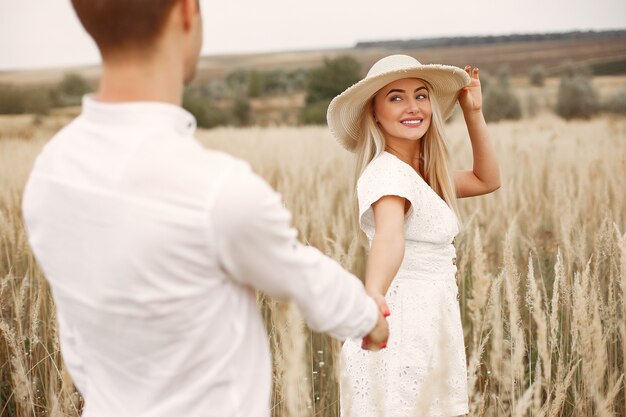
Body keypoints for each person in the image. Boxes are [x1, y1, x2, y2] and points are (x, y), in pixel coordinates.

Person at [20, 1, 388, 416]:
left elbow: (77, 345)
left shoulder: (49, 173)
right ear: (186, 12)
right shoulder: (217, 191)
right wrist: (367, 316)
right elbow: (298, 274)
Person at [327, 55, 501, 417]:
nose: (413, 107)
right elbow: (390, 239)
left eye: (421, 96)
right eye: (395, 97)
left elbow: (487, 180)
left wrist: (473, 112)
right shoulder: (388, 175)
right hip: (402, 328)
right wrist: (373, 294)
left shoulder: (423, 173)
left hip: (431, 323)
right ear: (374, 113)